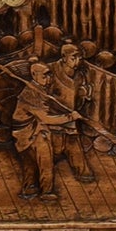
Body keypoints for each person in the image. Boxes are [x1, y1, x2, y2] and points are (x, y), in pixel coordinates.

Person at [11, 60, 73, 200]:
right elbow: (46, 118)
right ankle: (46, 192)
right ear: (34, 75)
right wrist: (70, 117)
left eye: (50, 75)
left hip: (27, 132)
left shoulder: (39, 90)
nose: (49, 78)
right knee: (45, 161)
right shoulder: (30, 94)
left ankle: (29, 189)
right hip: (31, 133)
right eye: (45, 75)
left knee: (31, 162)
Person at [50, 43, 96, 183]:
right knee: (53, 150)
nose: (76, 62)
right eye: (73, 58)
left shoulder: (79, 75)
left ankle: (83, 173)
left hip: (71, 120)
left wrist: (83, 93)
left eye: (79, 58)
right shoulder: (50, 70)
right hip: (53, 119)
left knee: (72, 144)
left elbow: (81, 95)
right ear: (64, 57)